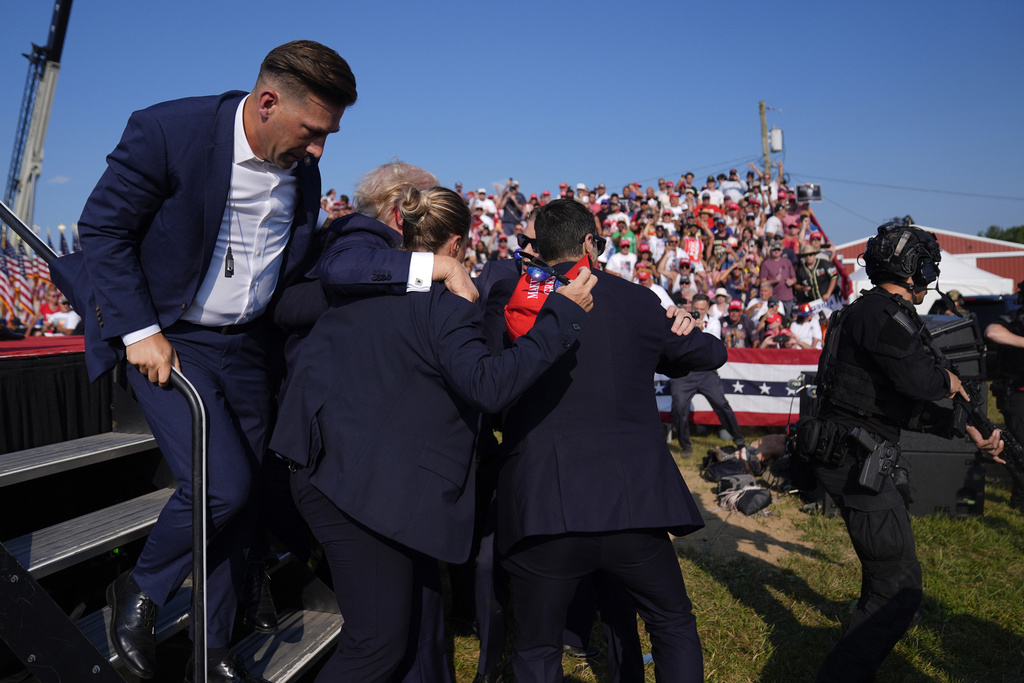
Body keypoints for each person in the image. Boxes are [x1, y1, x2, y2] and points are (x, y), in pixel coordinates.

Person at [56, 42, 443, 683]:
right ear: (267, 103)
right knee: (222, 487)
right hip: (170, 338)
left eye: (328, 136)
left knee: (249, 499)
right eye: (313, 131)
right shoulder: (167, 129)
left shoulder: (302, 170)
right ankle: (142, 588)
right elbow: (102, 230)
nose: (320, 150)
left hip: (247, 350)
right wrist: (140, 330)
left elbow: (287, 273)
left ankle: (212, 649)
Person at [272, 187, 595, 681]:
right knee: (377, 645)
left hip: (343, 473)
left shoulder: (365, 288)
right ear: (457, 244)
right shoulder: (444, 304)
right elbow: (489, 385)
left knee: (420, 614)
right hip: (361, 491)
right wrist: (561, 317)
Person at [494, 198, 723, 681]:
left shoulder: (513, 299)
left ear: (537, 247)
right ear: (588, 244)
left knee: (536, 649)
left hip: (545, 508)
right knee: (671, 621)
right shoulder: (636, 300)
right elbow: (709, 352)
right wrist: (688, 321)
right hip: (631, 506)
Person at [802, 221, 968, 681]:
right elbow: (920, 383)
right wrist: (947, 383)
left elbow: (891, 405)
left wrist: (964, 428)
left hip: (855, 453)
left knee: (884, 576)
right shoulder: (880, 314)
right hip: (856, 461)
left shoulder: (874, 311)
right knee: (897, 589)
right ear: (915, 269)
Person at [982, 282, 1024, 510]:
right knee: (1020, 448)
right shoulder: (1013, 319)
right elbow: (992, 332)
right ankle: (1019, 500)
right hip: (1017, 395)